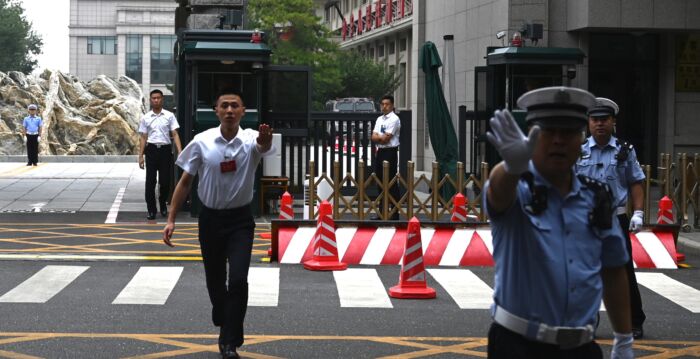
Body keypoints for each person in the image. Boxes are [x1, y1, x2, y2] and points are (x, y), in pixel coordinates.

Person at [484, 86, 634, 358]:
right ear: (531, 136)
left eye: (568, 133)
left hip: (582, 348)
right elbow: (497, 193)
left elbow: (613, 270)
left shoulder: (596, 196)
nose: (558, 141)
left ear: (581, 139)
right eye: (547, 132)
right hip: (519, 346)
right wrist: (510, 168)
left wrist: (623, 338)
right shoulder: (519, 189)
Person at [162, 90, 275, 359]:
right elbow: (186, 182)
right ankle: (222, 312)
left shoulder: (249, 140)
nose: (229, 110)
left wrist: (265, 139)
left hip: (240, 221)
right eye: (224, 105)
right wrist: (171, 219)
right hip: (210, 220)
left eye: (235, 106)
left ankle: (229, 340)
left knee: (237, 279)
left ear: (242, 111)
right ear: (216, 111)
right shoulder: (202, 142)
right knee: (215, 280)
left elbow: (262, 146)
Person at [576, 97, 647, 339]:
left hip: (615, 220)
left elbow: (635, 181)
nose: (599, 124)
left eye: (604, 120)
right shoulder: (578, 150)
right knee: (586, 273)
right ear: (588, 123)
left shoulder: (625, 151)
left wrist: (638, 212)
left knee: (623, 272)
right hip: (585, 220)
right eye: (595, 120)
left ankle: (633, 322)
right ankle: (588, 323)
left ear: (613, 122)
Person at [138, 89, 182, 220]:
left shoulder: (169, 116)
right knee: (150, 182)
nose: (156, 100)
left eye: (158, 98)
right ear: (150, 100)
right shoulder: (146, 118)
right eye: (153, 98)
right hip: (151, 150)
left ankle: (163, 204)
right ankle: (151, 210)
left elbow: (174, 134)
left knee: (165, 181)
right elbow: (143, 137)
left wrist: (180, 151)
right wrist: (140, 156)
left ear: (162, 99)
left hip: (165, 150)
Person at [371, 94, 400, 220]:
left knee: (391, 182)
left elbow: (386, 139)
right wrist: (379, 138)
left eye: (387, 104)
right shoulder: (379, 119)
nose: (384, 106)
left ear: (392, 105)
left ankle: (394, 212)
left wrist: (379, 138)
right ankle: (382, 211)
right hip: (380, 152)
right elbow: (373, 137)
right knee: (380, 181)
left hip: (390, 152)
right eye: (382, 104)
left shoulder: (394, 119)